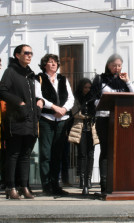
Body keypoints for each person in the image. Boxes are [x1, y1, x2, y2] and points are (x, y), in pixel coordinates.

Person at [0, 44, 43, 199]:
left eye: (31, 53)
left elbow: (36, 95)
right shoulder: (10, 71)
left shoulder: (31, 74)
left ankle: (24, 187)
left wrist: (40, 103)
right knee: (13, 154)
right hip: (16, 119)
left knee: (26, 155)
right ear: (17, 55)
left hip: (31, 120)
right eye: (26, 53)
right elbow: (2, 90)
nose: (29, 55)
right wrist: (19, 103)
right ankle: (10, 188)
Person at [92, 53, 134, 194]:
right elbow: (93, 98)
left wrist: (128, 81)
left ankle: (121, 181)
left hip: (122, 121)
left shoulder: (123, 81)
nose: (117, 68)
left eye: (119, 65)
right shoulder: (100, 79)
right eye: (114, 65)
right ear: (108, 65)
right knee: (106, 150)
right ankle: (105, 184)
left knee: (121, 150)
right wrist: (103, 103)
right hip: (104, 119)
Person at [35, 54, 74, 196]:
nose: (54, 65)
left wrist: (63, 109)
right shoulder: (39, 78)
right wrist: (54, 108)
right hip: (46, 119)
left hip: (62, 120)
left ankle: (55, 185)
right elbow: (39, 97)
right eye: (50, 62)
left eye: (55, 62)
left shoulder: (63, 79)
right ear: (44, 64)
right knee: (45, 154)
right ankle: (46, 186)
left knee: (57, 153)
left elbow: (71, 98)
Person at [68, 78, 99, 195]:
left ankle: (89, 179)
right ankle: (82, 179)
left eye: (89, 87)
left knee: (91, 154)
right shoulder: (76, 98)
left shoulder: (93, 99)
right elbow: (75, 113)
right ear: (81, 88)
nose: (87, 90)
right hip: (80, 129)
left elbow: (96, 111)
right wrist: (87, 115)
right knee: (82, 154)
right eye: (85, 87)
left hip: (91, 129)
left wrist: (89, 114)